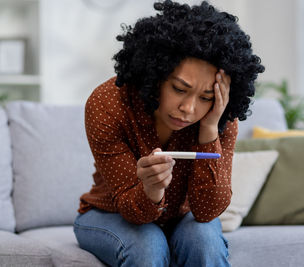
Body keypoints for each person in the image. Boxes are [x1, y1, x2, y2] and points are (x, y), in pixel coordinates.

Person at [73, 1, 264, 266]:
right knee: (147, 245)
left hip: (182, 215)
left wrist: (209, 130)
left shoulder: (220, 116)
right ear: (156, 72)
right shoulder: (108, 103)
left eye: (206, 96)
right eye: (179, 88)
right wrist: (151, 188)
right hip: (110, 212)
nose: (188, 109)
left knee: (204, 242)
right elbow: (134, 212)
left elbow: (208, 211)